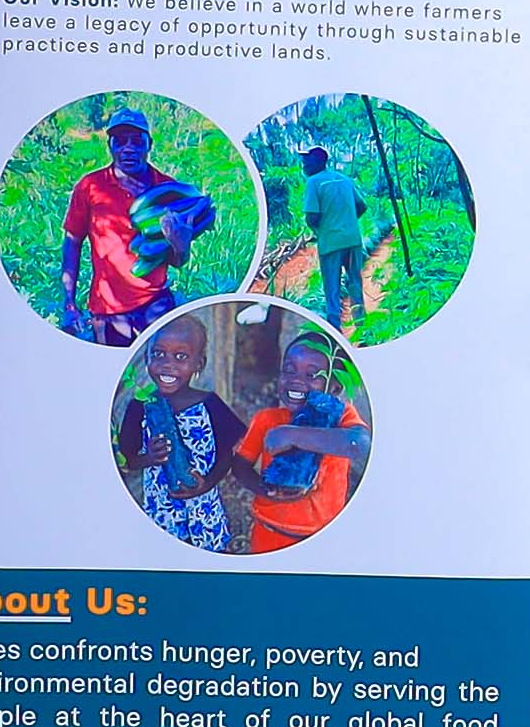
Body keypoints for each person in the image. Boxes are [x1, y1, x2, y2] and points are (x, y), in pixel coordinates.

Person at [60, 103, 203, 348]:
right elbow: (72, 242)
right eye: (120, 141)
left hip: (157, 303)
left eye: (137, 141)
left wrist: (181, 245)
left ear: (149, 145)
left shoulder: (168, 191)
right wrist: (69, 303)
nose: (128, 149)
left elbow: (177, 261)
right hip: (108, 309)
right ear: (110, 146)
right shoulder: (90, 187)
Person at [114, 317, 248, 553]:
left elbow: (227, 454)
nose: (168, 365)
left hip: (204, 511)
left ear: (199, 364)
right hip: (161, 514)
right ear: (147, 358)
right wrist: (150, 458)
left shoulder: (210, 404)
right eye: (158, 354)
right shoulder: (140, 406)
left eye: (181, 356)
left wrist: (207, 484)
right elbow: (128, 460)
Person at [237, 332, 371, 552]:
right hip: (268, 533)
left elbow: (360, 444)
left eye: (312, 375)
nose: (296, 380)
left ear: (334, 389)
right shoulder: (266, 419)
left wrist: (293, 435)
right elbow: (240, 466)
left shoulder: (340, 417)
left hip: (323, 539)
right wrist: (264, 489)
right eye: (289, 370)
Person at [296, 143, 372, 334]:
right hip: (353, 240)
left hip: (330, 242)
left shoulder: (314, 182)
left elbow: (312, 216)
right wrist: (347, 221)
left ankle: (334, 331)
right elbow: (362, 206)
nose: (304, 164)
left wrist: (320, 230)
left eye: (307, 160)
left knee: (332, 288)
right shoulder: (345, 179)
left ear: (318, 161)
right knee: (355, 282)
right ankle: (362, 327)